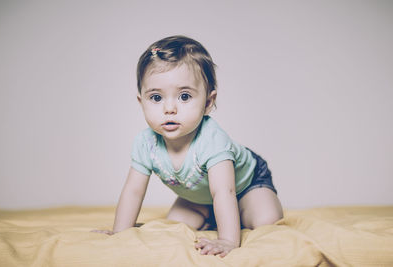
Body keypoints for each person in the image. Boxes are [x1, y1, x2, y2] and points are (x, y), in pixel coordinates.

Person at [93, 35, 283, 257]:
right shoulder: (146, 143)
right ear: (141, 102)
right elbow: (133, 192)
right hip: (200, 194)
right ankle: (211, 212)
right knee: (174, 227)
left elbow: (224, 191)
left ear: (208, 103)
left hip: (246, 184)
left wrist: (228, 241)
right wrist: (120, 232)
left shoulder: (212, 140)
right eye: (156, 98)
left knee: (265, 219)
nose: (169, 108)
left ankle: (235, 210)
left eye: (184, 96)